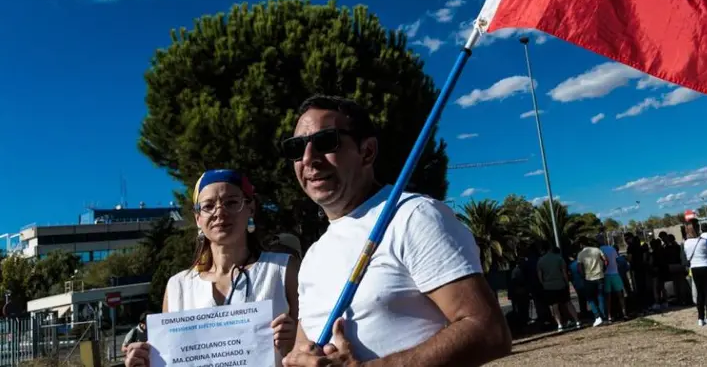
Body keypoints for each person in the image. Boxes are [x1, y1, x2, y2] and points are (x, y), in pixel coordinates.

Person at [283, 95, 511, 366]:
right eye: (296, 148)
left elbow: (488, 330)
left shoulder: (414, 216)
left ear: (366, 152)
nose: (309, 158)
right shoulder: (313, 256)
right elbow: (303, 348)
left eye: (325, 142)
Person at [125, 170, 300, 367]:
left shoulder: (282, 270)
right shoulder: (178, 287)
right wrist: (146, 362)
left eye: (231, 202)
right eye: (208, 206)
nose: (219, 212)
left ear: (250, 208)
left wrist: (295, 342)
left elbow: (310, 347)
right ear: (198, 217)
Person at [535, 245, 579, 331]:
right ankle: (577, 321)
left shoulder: (540, 261)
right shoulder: (559, 258)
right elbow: (564, 272)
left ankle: (559, 324)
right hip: (561, 284)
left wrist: (544, 284)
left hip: (549, 286)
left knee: (554, 307)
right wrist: (567, 283)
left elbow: (540, 275)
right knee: (568, 303)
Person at [683, 220, 707, 326]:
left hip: (695, 268)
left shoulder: (686, 243)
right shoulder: (703, 241)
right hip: (706, 266)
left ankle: (700, 318)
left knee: (700, 293)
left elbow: (688, 256)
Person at [576, 239, 609, 326]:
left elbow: (579, 267)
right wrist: (603, 269)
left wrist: (583, 275)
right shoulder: (597, 250)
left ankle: (597, 316)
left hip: (589, 278)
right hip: (600, 276)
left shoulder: (580, 254)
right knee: (600, 297)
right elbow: (606, 260)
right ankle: (604, 317)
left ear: (581, 245)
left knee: (590, 298)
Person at [598, 235, 629, 320]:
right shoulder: (612, 249)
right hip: (615, 273)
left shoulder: (599, 250)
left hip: (606, 275)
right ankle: (624, 313)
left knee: (608, 297)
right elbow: (616, 259)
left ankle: (609, 316)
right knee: (620, 295)